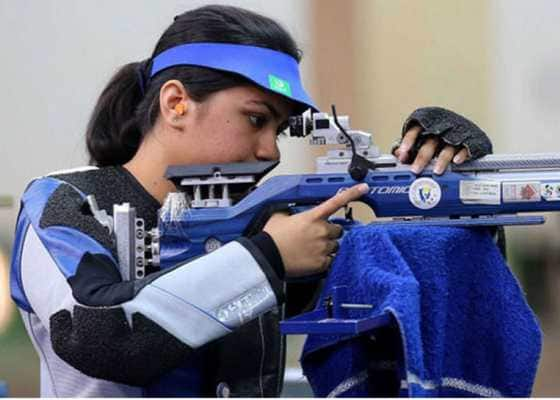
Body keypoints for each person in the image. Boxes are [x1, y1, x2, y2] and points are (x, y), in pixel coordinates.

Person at [9, 5, 492, 397]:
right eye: (256, 120)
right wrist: (267, 256)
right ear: (176, 103)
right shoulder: (67, 203)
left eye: (279, 130)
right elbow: (103, 336)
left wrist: (446, 181)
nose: (271, 150)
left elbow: (414, 286)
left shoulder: (264, 221)